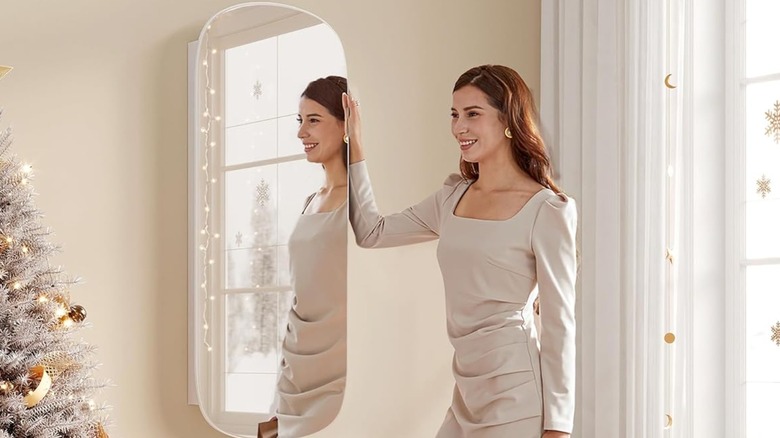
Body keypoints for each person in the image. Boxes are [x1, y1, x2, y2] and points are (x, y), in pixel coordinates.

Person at [343, 65, 576, 438]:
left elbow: (560, 322)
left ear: (508, 120)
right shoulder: (452, 197)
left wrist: (559, 427)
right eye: (454, 114)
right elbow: (373, 231)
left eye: (472, 114)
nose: (458, 127)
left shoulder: (547, 209)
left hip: (517, 393)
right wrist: (353, 145)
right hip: (466, 392)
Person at [260, 76, 348, 438]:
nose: (301, 133)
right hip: (296, 362)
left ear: (346, 125)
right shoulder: (310, 201)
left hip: (340, 367)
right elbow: (301, 290)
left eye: (314, 120)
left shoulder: (361, 203)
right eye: (300, 121)